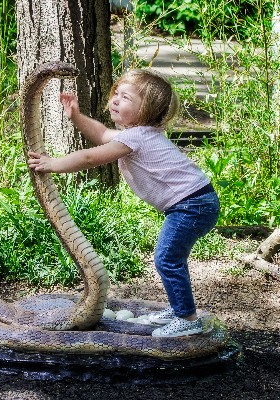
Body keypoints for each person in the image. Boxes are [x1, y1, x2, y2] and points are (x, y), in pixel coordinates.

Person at [27, 69, 220, 338]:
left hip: (192, 205)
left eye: (126, 97)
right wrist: (77, 117)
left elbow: (89, 158)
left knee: (167, 259)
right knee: (171, 258)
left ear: (147, 109)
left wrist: (52, 164)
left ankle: (187, 318)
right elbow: (103, 133)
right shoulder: (136, 135)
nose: (115, 100)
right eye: (116, 94)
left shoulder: (136, 138)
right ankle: (180, 308)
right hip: (196, 202)